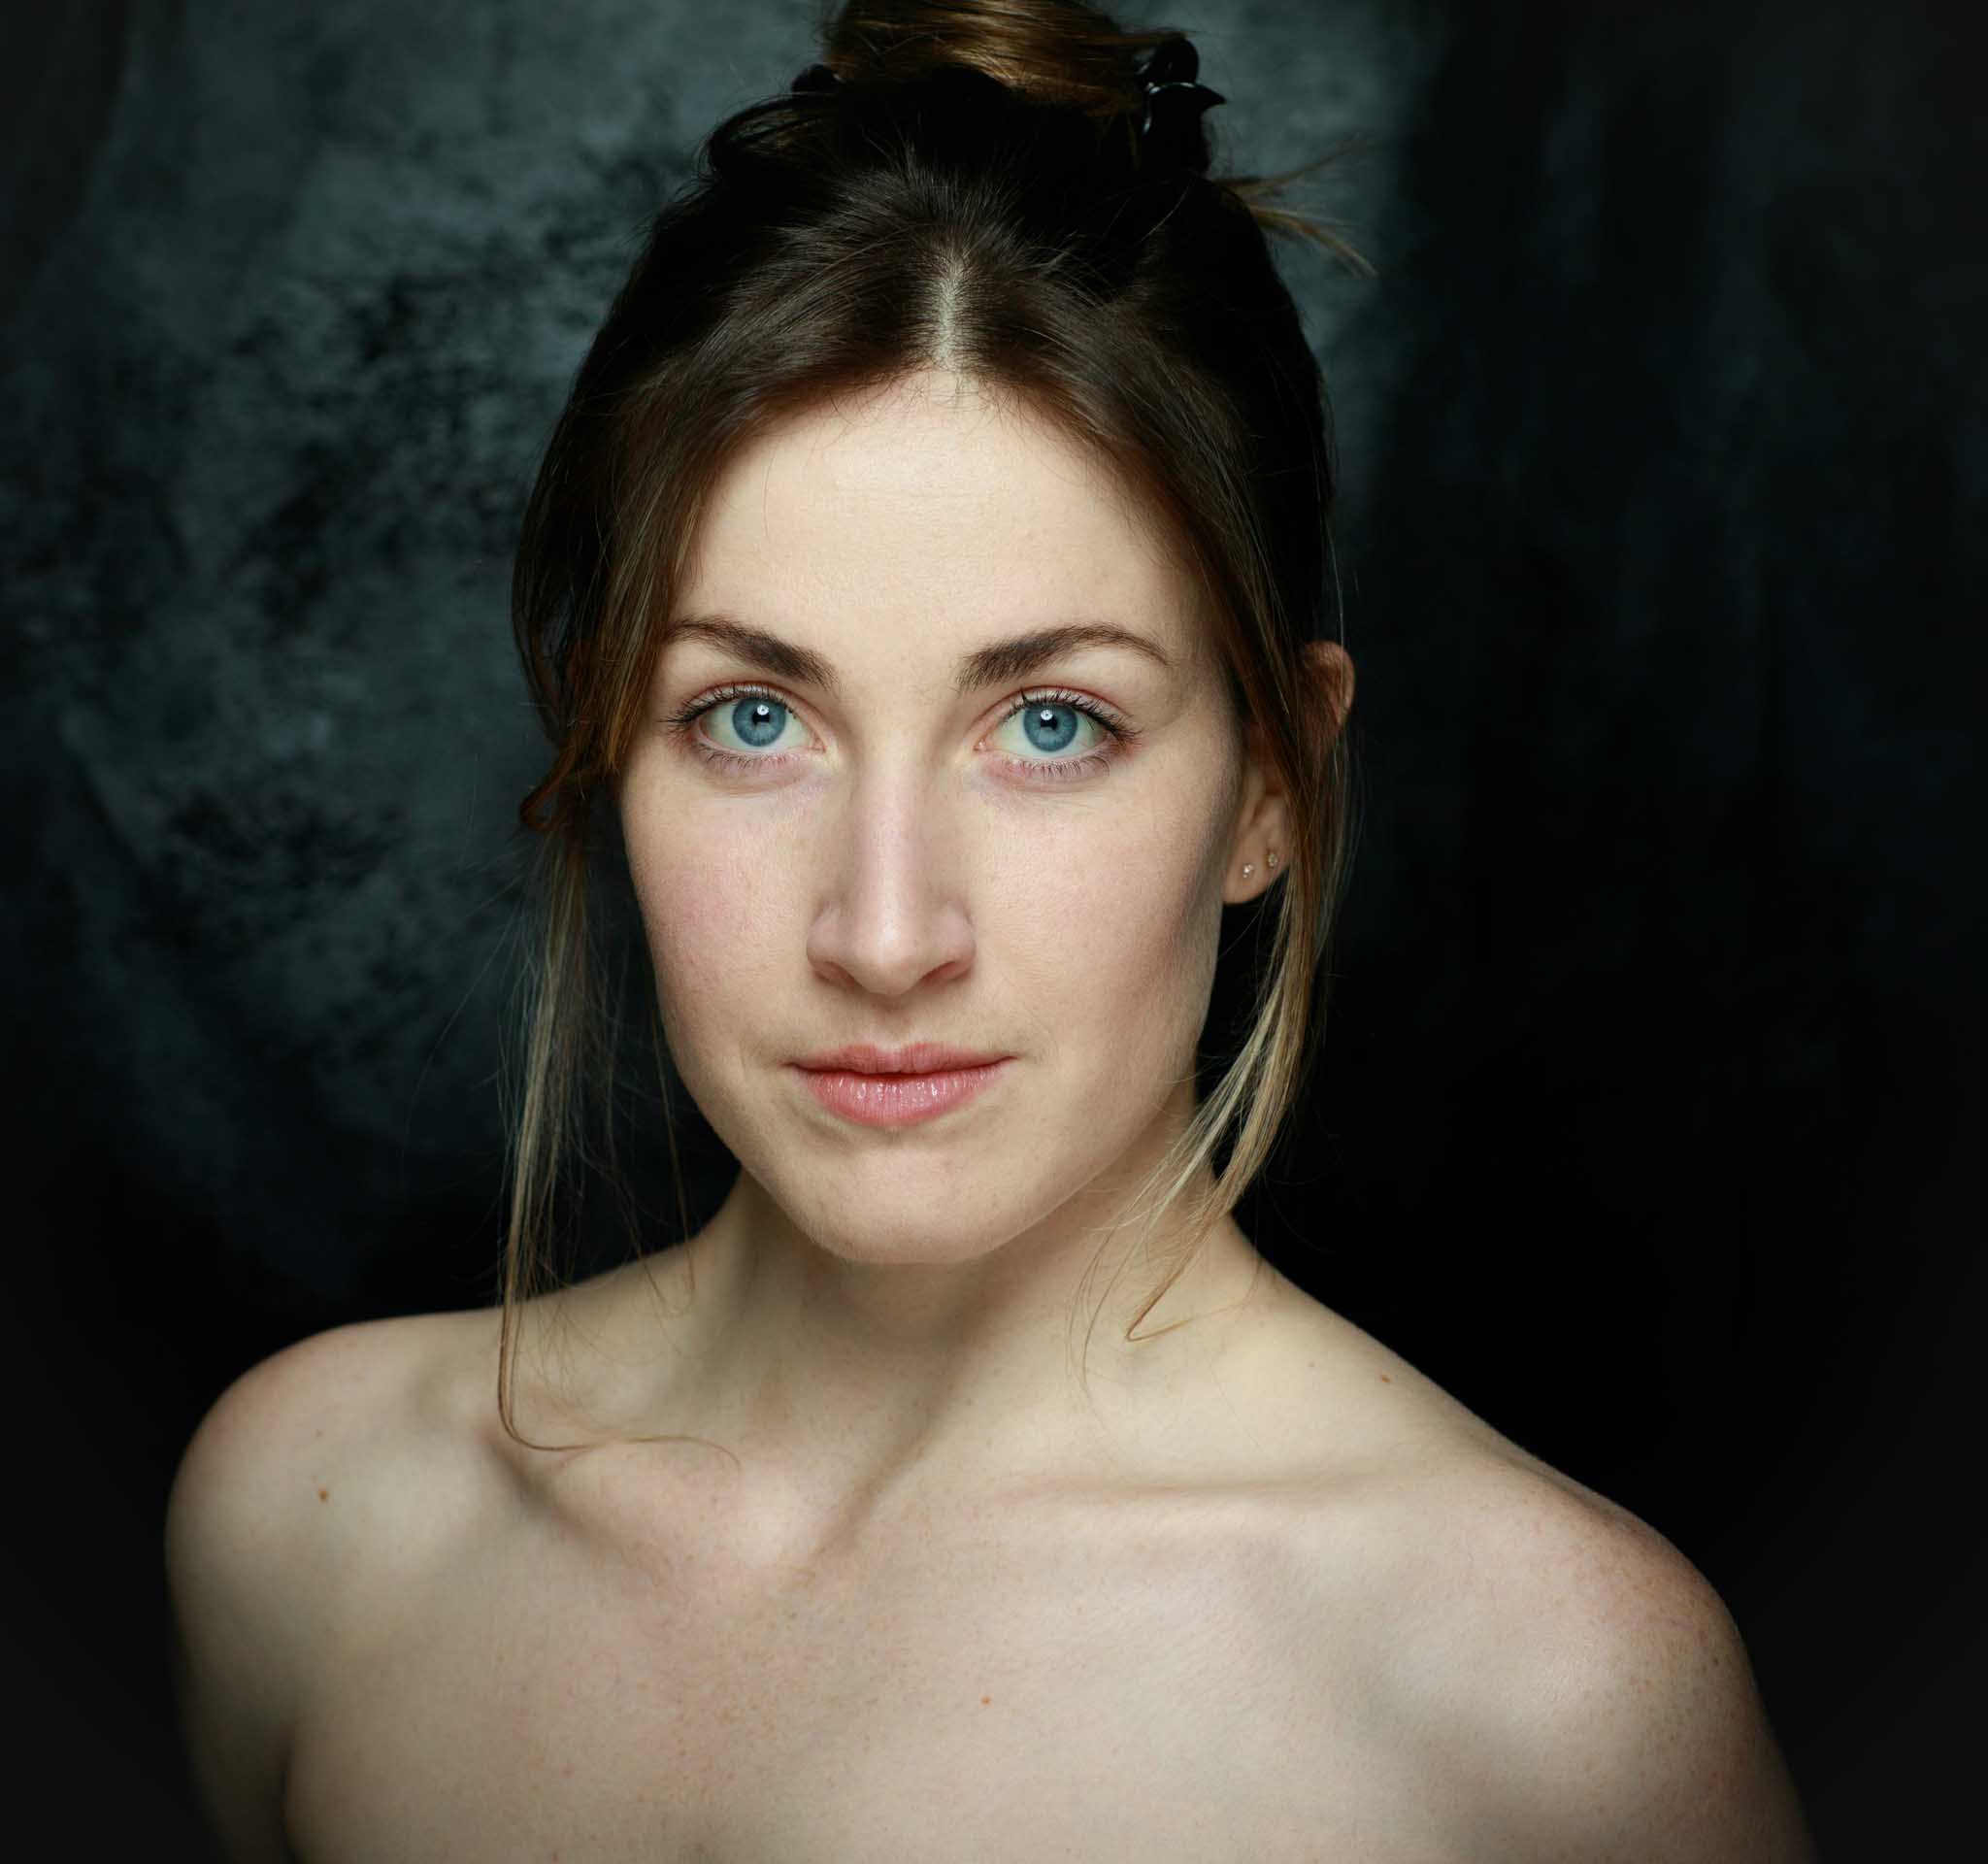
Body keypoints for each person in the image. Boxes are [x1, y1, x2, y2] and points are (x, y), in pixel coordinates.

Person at [164, 2, 1816, 1856]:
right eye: (752, 717)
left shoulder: (1544, 1709)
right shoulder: (313, 1524)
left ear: (1273, 783)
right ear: (606, 738)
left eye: (1052, 726)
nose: (886, 936)